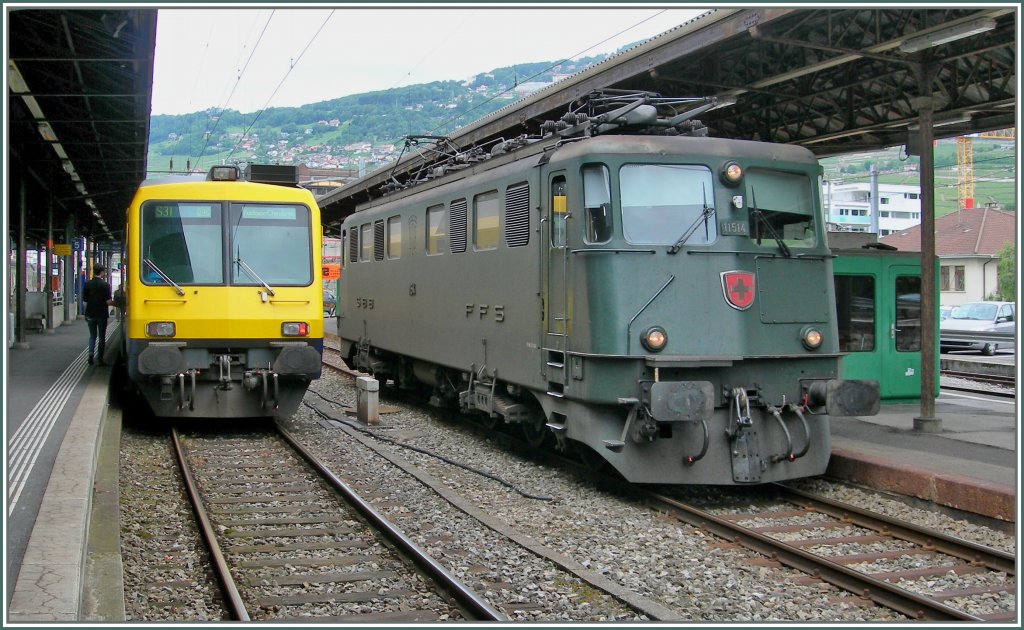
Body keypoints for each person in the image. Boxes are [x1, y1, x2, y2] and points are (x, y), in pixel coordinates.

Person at [83, 264, 113, 366]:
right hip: (102, 314)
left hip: (90, 313)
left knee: (92, 336)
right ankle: (100, 359)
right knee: (101, 337)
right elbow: (109, 302)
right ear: (102, 272)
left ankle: (91, 353)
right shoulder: (105, 285)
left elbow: (85, 299)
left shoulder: (87, 284)